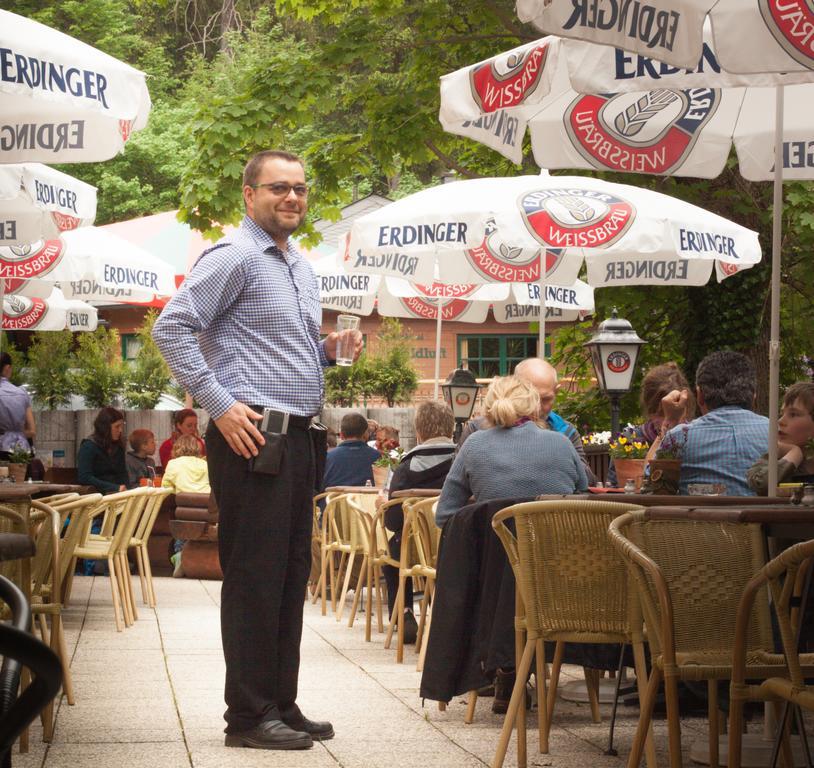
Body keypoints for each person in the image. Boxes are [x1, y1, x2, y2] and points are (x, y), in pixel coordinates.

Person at [153, 149, 362, 751]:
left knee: (291, 574)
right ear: (249, 195)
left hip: (299, 435)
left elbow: (266, 346)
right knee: (254, 577)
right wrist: (218, 404)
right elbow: (173, 327)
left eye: (299, 188)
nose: (292, 197)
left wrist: (325, 349)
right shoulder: (234, 256)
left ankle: (280, 703)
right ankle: (246, 717)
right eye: (278, 188)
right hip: (253, 436)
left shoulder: (297, 264)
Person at [436, 376, 588, 527]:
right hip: (557, 548)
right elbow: (584, 490)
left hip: (493, 549)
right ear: (534, 407)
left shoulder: (474, 444)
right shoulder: (562, 443)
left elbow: (444, 516)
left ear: (488, 408)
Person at [380, 400, 456, 644]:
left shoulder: (405, 467)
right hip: (454, 544)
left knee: (393, 555)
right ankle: (448, 617)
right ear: (452, 429)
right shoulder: (463, 459)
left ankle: (404, 613)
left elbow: (393, 522)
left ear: (419, 433)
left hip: (413, 549)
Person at [458, 357, 595, 484]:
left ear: (556, 393)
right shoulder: (476, 429)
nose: (536, 408)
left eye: (545, 399)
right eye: (528, 398)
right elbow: (458, 480)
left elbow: (588, 480)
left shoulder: (565, 431)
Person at [653, 350, 769, 496]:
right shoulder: (777, 434)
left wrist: (670, 421)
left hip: (701, 519)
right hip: (766, 518)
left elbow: (651, 488)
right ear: (754, 397)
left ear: (700, 395)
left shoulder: (680, 437)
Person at [607, 362, 695, 487]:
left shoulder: (696, 436)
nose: (666, 419)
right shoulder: (629, 440)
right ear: (649, 410)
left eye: (672, 410)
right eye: (660, 413)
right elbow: (613, 485)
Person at [748, 382, 814, 494]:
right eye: (781, 414)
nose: (780, 421)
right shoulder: (775, 456)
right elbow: (760, 483)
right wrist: (794, 453)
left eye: (793, 414)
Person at [77, 407, 129, 494]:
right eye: (117, 426)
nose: (120, 430)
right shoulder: (89, 446)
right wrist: (114, 487)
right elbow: (85, 477)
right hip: (96, 496)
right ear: (105, 427)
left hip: (118, 494)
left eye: (121, 426)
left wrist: (129, 491)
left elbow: (122, 474)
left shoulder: (118, 447)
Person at [322, 413, 381, 489]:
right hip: (366, 500)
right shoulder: (377, 457)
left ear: (341, 435)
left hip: (333, 500)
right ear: (366, 435)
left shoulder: (328, 457)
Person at [0, 352, 36, 458]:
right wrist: (16, 434)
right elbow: (32, 431)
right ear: (8, 367)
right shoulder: (22, 393)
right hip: (20, 453)